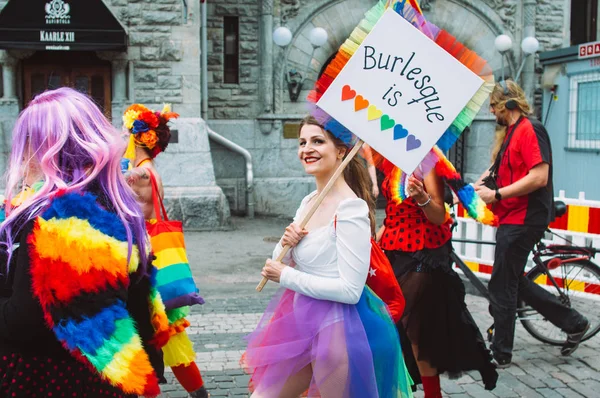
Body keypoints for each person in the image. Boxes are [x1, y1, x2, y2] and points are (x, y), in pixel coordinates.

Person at [0, 87, 168, 397]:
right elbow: (140, 303)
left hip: (50, 379)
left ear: (46, 150)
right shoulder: (114, 205)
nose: (22, 157)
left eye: (27, 145)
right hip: (106, 376)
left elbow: (25, 323)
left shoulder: (61, 219)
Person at [243, 116, 413, 397]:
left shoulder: (350, 210)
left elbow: (350, 290)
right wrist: (285, 243)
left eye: (317, 141)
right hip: (299, 326)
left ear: (341, 151)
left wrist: (286, 275)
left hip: (336, 334)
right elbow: (281, 259)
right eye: (302, 142)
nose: (306, 149)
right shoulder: (308, 202)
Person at [474, 79, 589, 367]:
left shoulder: (530, 129)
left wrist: (497, 193)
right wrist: (477, 186)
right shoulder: (512, 132)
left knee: (503, 284)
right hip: (512, 217)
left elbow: (539, 177)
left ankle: (501, 351)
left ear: (507, 104)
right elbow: (498, 167)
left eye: (493, 105)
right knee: (511, 281)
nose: (491, 111)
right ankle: (573, 322)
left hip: (525, 219)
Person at [376, 154, 498, 397]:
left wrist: (422, 197)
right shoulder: (392, 160)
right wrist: (378, 238)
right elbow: (394, 212)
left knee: (404, 328)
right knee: (407, 332)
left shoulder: (426, 162)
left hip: (421, 253)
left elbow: (438, 216)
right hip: (393, 250)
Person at [122, 103, 209, 398]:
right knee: (164, 335)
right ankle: (199, 394)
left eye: (126, 132)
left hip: (146, 262)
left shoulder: (139, 174)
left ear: (138, 137)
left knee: (157, 333)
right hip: (147, 259)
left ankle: (198, 393)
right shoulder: (145, 170)